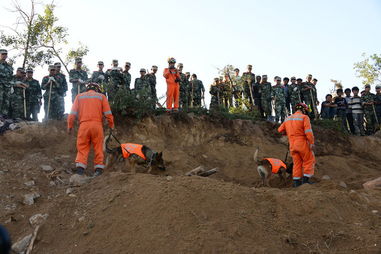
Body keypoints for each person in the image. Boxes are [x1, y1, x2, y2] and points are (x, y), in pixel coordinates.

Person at [67, 82, 114, 176]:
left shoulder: (79, 97)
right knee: (98, 147)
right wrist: (111, 126)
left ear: (86, 89)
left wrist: (70, 126)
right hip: (97, 126)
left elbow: (72, 114)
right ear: (97, 89)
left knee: (82, 147)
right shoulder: (101, 97)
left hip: (84, 126)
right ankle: (98, 169)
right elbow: (108, 114)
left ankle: (80, 170)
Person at [278, 103, 315, 187]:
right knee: (308, 160)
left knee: (297, 163)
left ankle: (296, 182)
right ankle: (306, 181)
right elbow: (308, 132)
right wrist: (312, 143)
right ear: (304, 110)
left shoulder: (288, 118)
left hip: (292, 145)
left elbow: (280, 130)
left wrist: (287, 133)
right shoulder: (304, 117)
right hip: (302, 143)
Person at [0, 49, 14, 117]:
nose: (4, 55)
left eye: (5, 54)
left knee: (6, 101)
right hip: (0, 85)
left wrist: (11, 85)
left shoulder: (9, 66)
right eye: (3, 54)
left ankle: (4, 114)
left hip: (7, 85)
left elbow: (11, 76)